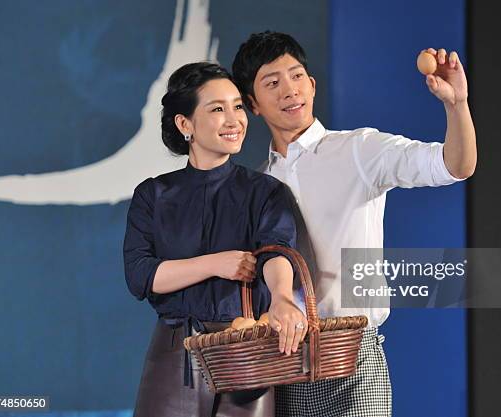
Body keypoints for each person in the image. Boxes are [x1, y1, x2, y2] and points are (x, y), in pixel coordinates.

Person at [232, 31, 477, 417]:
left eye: (296, 77)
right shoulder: (258, 184)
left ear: (312, 85)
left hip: (354, 358)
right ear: (252, 104)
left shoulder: (359, 149)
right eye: (272, 83)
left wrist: (457, 105)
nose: (289, 90)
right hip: (288, 362)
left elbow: (454, 165)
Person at [123, 62, 308, 417]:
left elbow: (277, 252)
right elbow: (141, 276)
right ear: (185, 124)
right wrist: (216, 263)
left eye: (238, 106)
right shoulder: (153, 195)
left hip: (247, 347)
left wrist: (283, 297)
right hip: (176, 350)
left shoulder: (266, 191)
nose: (234, 119)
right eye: (217, 109)